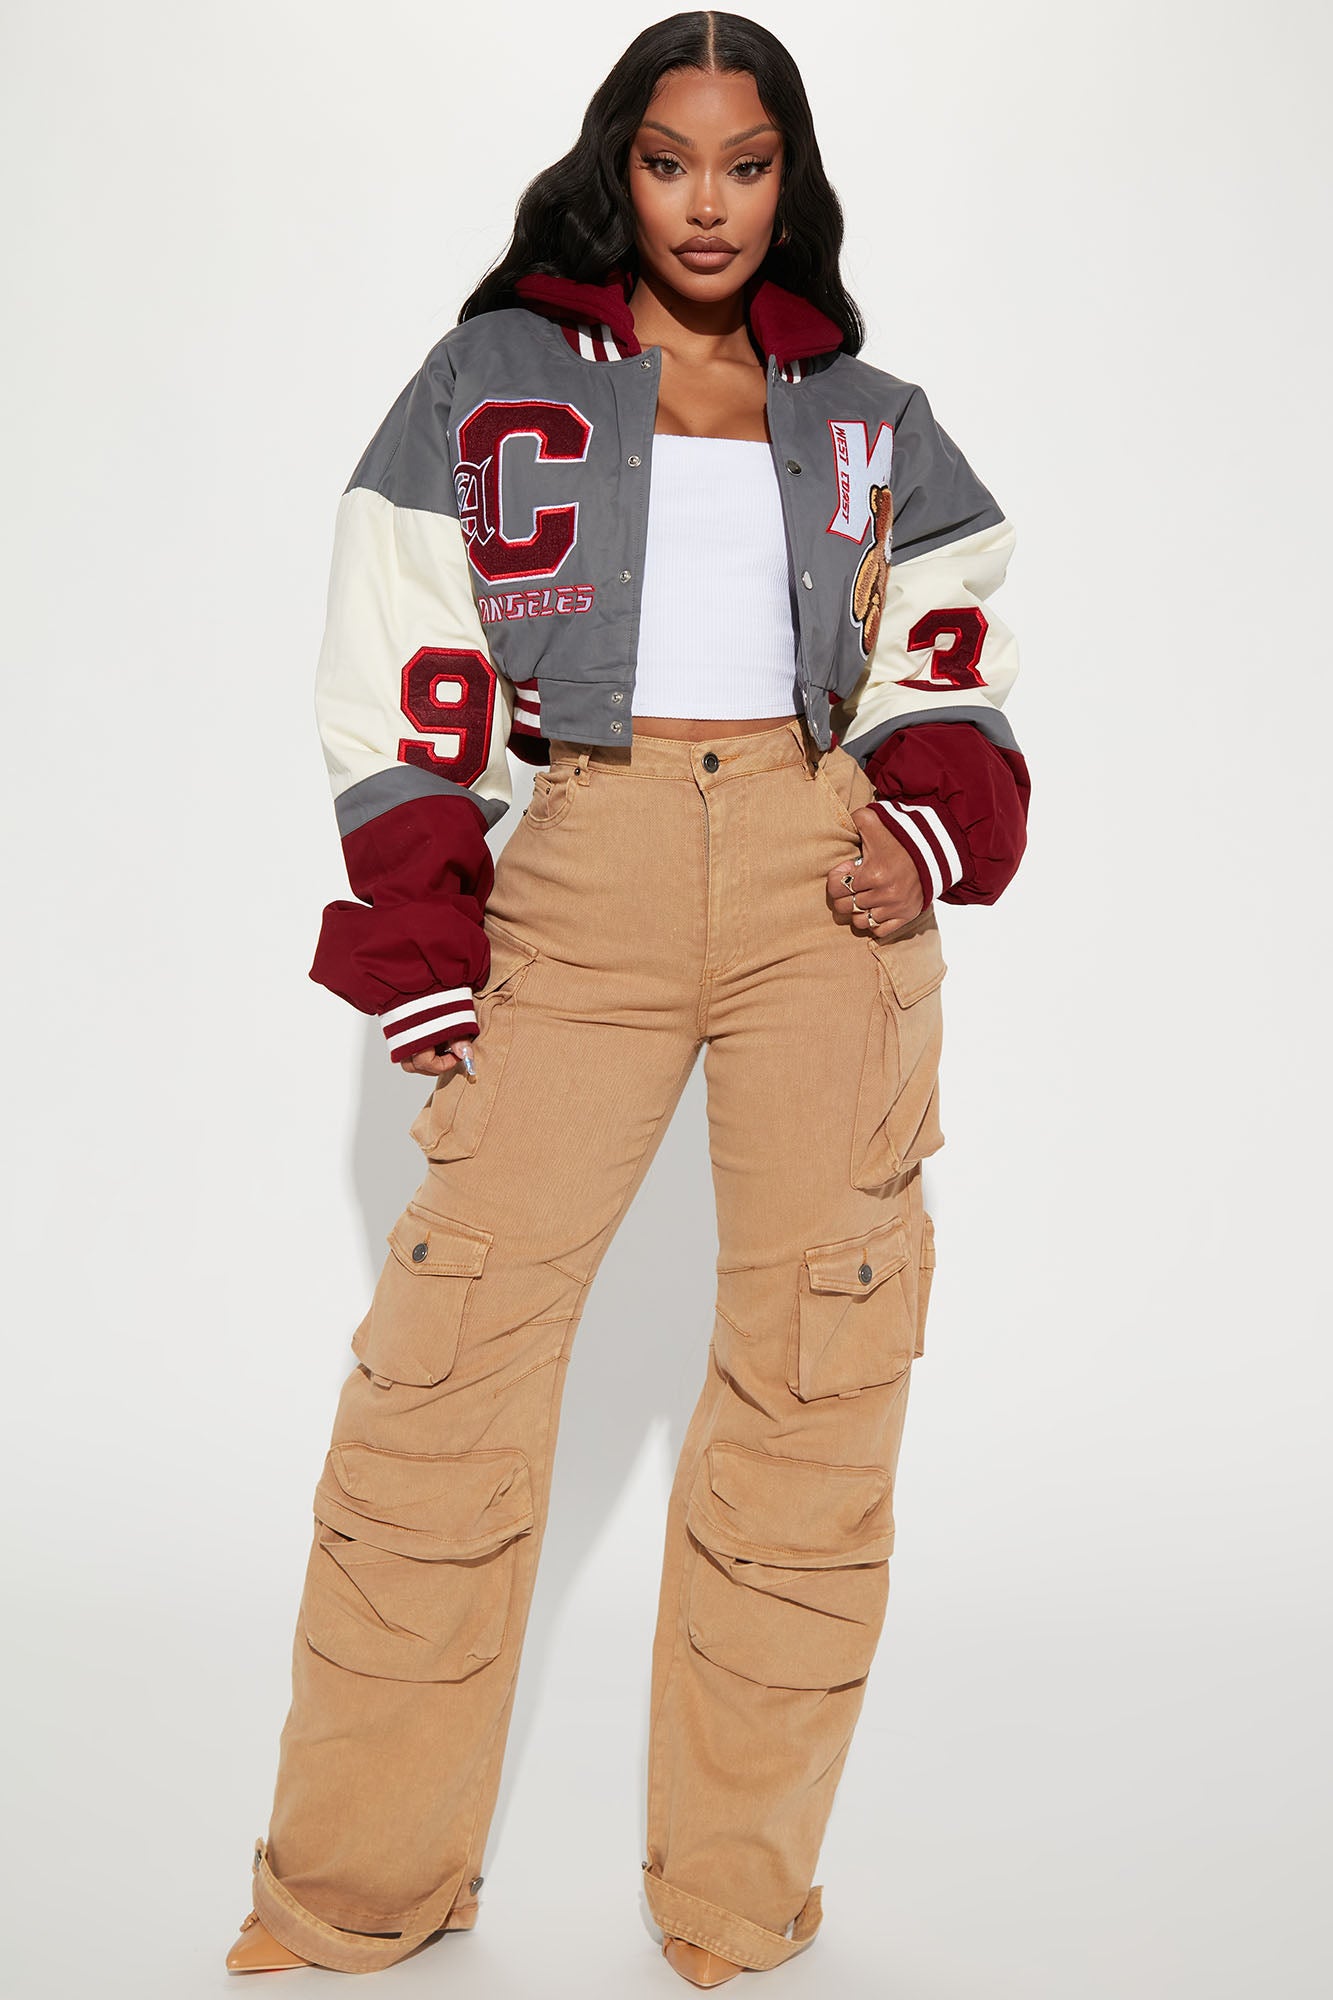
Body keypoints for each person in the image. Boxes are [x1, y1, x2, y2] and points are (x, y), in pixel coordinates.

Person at [225, 11, 1030, 1986]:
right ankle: (352, 1896)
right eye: (671, 161)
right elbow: (400, 651)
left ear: (788, 178)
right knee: (445, 1385)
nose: (707, 203)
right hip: (574, 874)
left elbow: (951, 638)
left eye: (745, 165)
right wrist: (425, 929)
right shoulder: (489, 376)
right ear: (621, 165)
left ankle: (736, 1905)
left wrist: (920, 825)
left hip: (816, 884)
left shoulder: (869, 415)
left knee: (815, 1392)